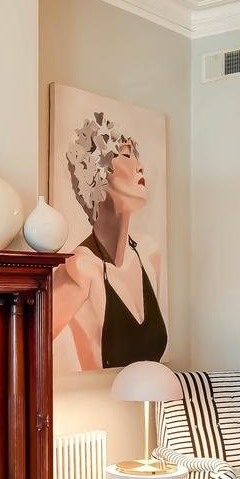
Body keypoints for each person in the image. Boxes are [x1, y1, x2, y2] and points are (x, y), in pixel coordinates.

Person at [52, 111, 166, 372]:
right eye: (126, 155)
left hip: (148, 410)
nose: (139, 165)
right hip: (100, 406)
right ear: (96, 173)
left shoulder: (149, 254)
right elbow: (28, 347)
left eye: (136, 155)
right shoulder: (80, 269)